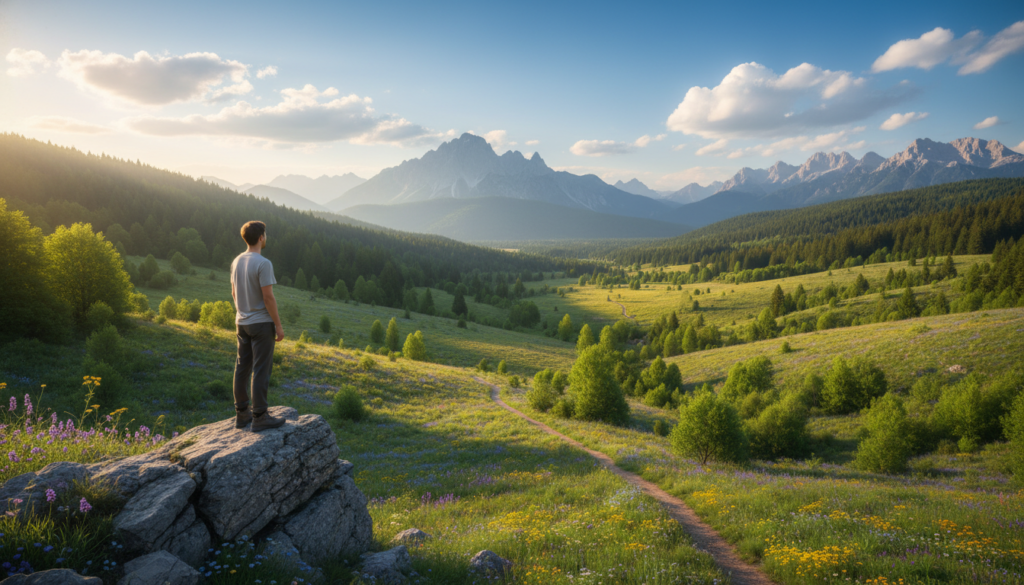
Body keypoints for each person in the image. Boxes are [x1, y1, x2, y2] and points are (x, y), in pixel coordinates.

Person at [230, 221, 286, 432]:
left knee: (241, 368)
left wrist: (243, 313)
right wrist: (278, 326)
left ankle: (242, 414)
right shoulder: (263, 263)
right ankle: (260, 416)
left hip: (241, 322)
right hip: (261, 324)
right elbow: (268, 297)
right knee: (261, 368)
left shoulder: (236, 261)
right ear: (261, 237)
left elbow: (234, 293)